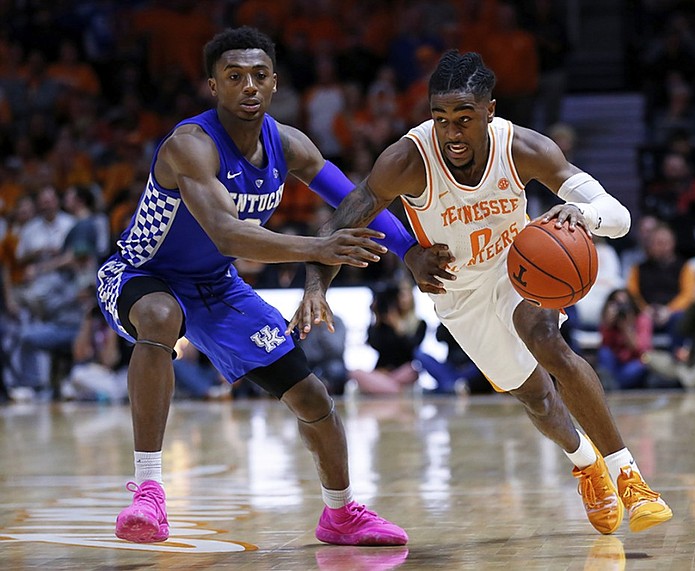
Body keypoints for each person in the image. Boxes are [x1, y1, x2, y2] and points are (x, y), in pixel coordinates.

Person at [292, 50, 672, 535]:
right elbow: (342, 222)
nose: (451, 131)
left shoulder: (523, 148)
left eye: (464, 118)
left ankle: (630, 478)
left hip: (521, 267)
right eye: (441, 117)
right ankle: (585, 463)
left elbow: (618, 215)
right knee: (535, 398)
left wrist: (585, 215)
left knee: (546, 342)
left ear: (490, 110)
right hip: (457, 292)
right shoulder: (408, 159)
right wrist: (314, 285)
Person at [95, 27, 442, 546]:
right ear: (213, 86)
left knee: (311, 396)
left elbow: (356, 198)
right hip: (142, 274)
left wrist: (409, 250)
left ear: (275, 82)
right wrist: (317, 249)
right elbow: (228, 231)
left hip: (216, 284)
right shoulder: (189, 146)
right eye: (234, 77)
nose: (248, 86)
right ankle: (148, 490)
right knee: (162, 317)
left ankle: (341, 513)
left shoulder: (290, 144)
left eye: (259, 76)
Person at [349, 279, 426, 395]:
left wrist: (398, 326)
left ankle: (382, 387)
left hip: (404, 370)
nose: (402, 298)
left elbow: (412, 349)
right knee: (355, 373)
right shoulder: (382, 323)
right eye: (400, 294)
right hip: (381, 371)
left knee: (412, 370)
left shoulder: (419, 323)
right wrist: (377, 318)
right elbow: (374, 344)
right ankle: (392, 389)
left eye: (405, 293)